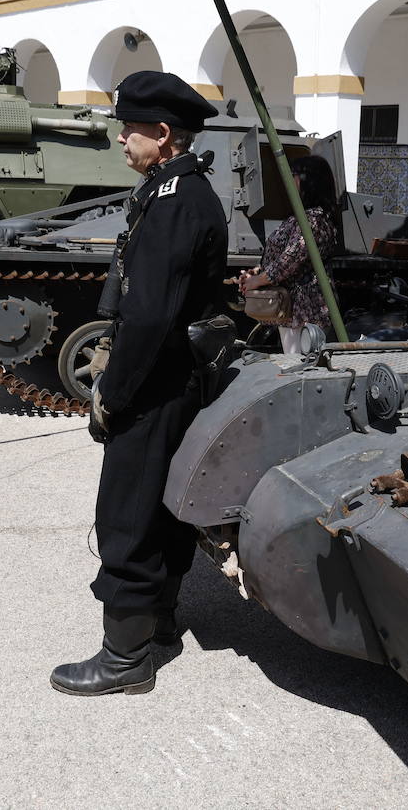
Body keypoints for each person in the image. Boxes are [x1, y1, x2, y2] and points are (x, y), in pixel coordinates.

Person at [50, 70, 225, 696]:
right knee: (162, 507)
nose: (121, 139)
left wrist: (113, 393)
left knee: (128, 514)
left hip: (154, 386)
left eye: (129, 129)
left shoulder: (175, 199)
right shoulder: (175, 190)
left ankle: (126, 659)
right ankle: (159, 626)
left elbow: (150, 315)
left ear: (162, 133)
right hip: (172, 380)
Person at [239, 154, 341, 353]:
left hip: (305, 310)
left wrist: (257, 281)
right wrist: (256, 273)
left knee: (300, 363)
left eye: (294, 175)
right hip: (293, 309)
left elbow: (290, 260)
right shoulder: (304, 217)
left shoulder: (314, 220)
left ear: (308, 181)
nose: (290, 180)